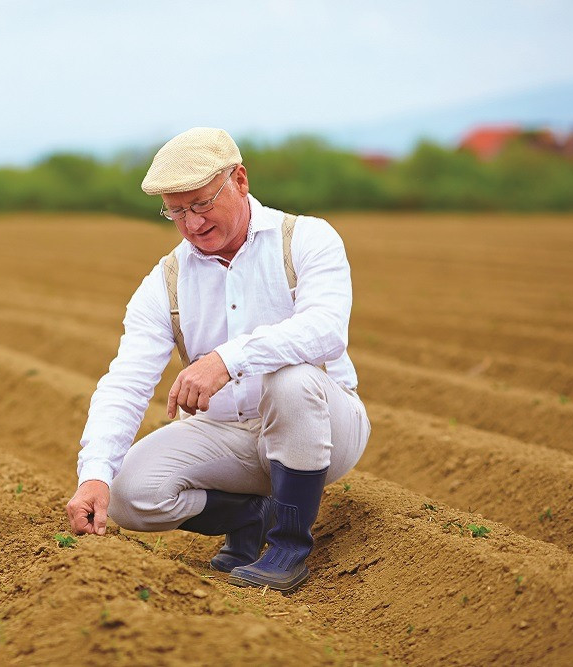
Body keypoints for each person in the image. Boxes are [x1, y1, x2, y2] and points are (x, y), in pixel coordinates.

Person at [65, 127, 370, 594]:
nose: (191, 223)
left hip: (325, 425)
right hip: (228, 434)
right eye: (176, 210)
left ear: (240, 180)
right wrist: (94, 474)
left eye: (202, 204)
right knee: (130, 492)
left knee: (290, 380)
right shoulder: (166, 280)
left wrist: (228, 359)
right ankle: (254, 518)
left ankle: (288, 548)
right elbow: (126, 381)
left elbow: (326, 330)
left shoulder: (305, 238)